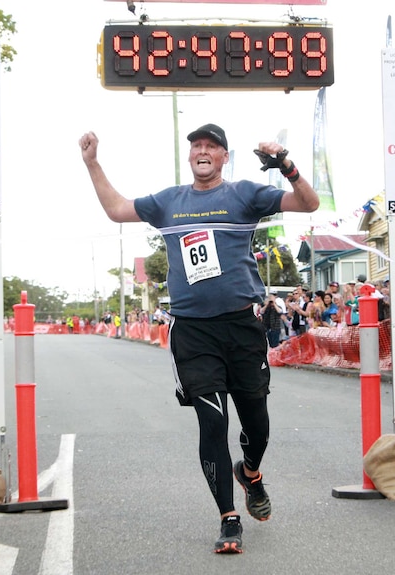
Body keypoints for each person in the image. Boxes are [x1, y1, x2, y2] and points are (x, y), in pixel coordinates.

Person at [80, 123, 319, 553]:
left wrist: (285, 163)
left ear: (224, 157)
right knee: (212, 421)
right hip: (193, 330)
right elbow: (116, 208)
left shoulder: (244, 194)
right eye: (196, 146)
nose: (203, 151)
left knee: (257, 425)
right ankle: (229, 519)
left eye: (212, 146)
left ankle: (249, 472)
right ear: (190, 156)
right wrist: (92, 163)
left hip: (242, 328)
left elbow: (309, 202)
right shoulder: (169, 201)